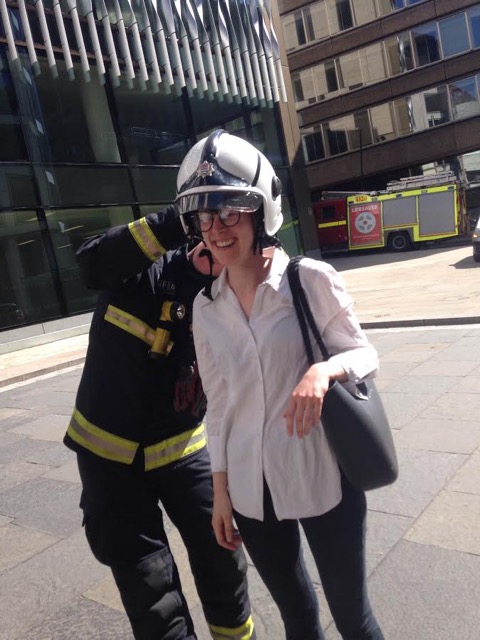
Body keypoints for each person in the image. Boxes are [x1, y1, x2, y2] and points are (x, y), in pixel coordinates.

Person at [176, 129, 385, 640]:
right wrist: (220, 494)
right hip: (252, 490)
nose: (218, 230)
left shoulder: (307, 279)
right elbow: (219, 408)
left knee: (353, 618)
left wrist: (323, 371)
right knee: (298, 618)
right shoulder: (206, 309)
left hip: (322, 474)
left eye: (230, 212)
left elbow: (364, 354)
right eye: (206, 217)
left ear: (259, 212)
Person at [63, 205, 255, 640]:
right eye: (207, 223)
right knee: (150, 590)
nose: (217, 239)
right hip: (110, 461)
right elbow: (91, 263)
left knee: (224, 559)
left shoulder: (228, 299)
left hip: (184, 451)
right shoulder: (141, 271)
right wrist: (176, 218)